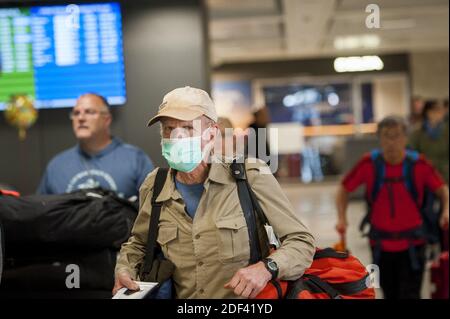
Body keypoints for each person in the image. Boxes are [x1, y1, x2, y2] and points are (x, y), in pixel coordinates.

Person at [113, 86, 315, 299]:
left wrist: (267, 268)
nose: (175, 137)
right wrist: (124, 269)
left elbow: (301, 241)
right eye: (168, 128)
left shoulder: (249, 176)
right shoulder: (154, 185)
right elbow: (138, 244)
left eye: (188, 128)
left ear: (212, 134)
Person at [335, 116, 449, 299]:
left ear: (405, 138)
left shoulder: (418, 164)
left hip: (414, 246)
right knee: (389, 293)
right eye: (386, 136)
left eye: (396, 136)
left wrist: (446, 210)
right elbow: (343, 189)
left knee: (411, 294)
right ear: (379, 138)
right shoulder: (370, 164)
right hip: (380, 246)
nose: (391, 141)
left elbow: (442, 189)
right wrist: (342, 217)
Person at [37, 93, 154, 199]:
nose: (81, 118)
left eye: (89, 112)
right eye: (76, 113)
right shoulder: (57, 166)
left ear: (107, 119)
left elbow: (153, 212)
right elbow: (41, 213)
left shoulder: (135, 160)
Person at [409, 100, 449, 183]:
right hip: (425, 172)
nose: (439, 113)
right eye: (436, 110)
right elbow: (411, 152)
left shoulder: (446, 130)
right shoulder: (418, 131)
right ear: (427, 112)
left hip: (445, 174)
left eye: (441, 110)